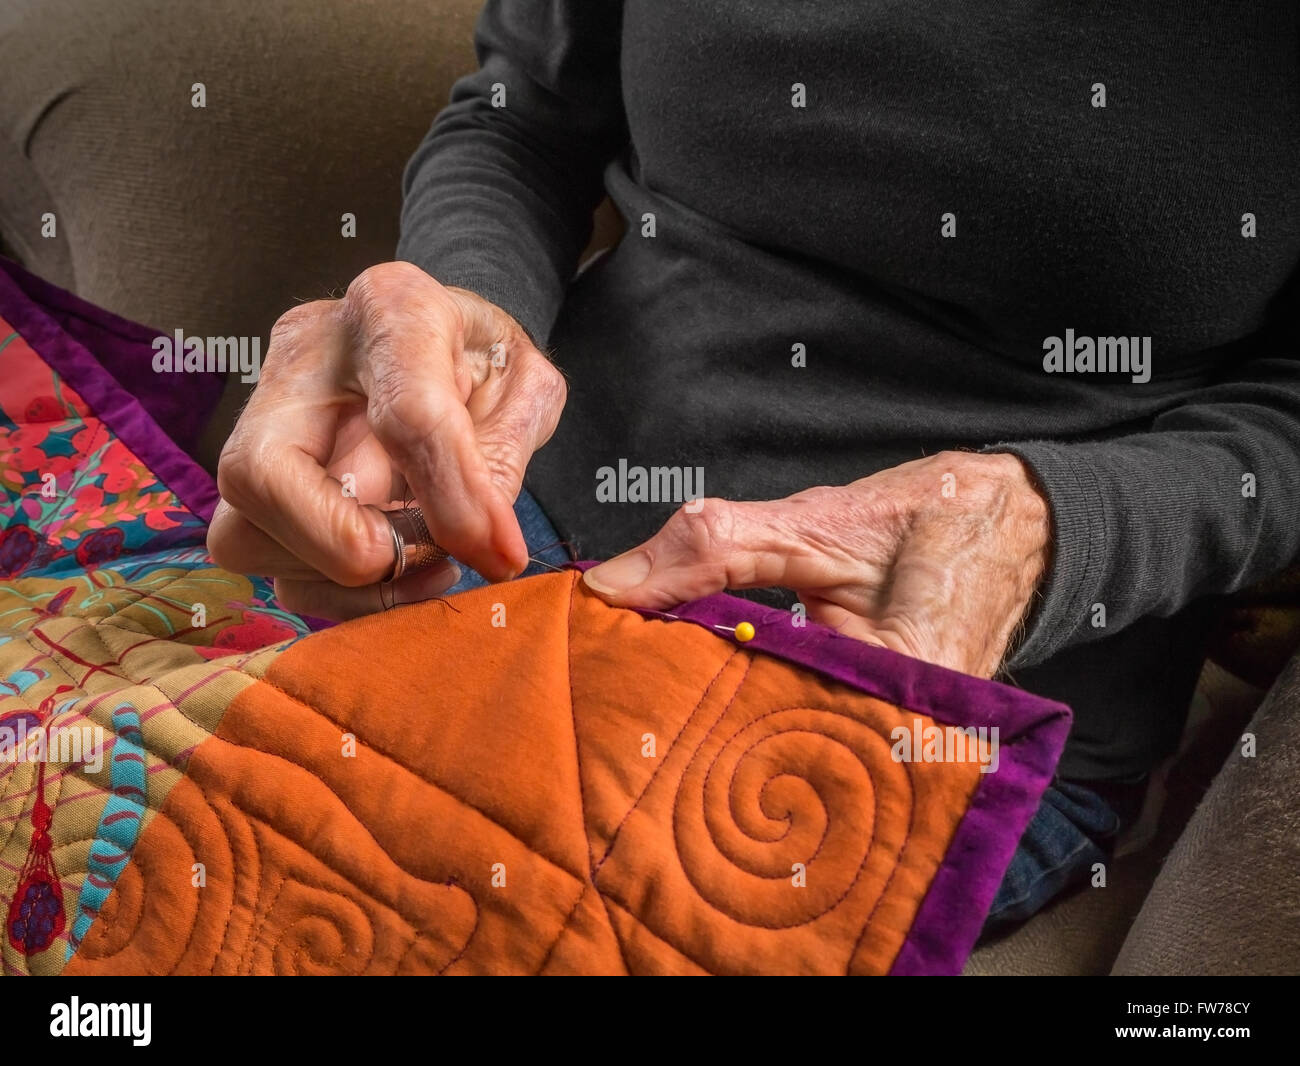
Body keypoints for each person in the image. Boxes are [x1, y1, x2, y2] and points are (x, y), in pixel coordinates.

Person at [207, 1, 1300, 931]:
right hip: (507, 525)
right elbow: (520, 120)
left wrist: (1043, 532)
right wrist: (461, 322)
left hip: (942, 684)